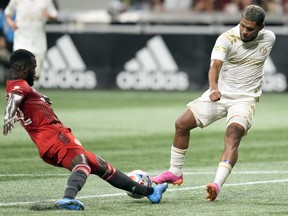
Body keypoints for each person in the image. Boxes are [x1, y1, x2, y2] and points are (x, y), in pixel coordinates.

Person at [3, 49, 168, 211]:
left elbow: (21, 94)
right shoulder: (20, 86)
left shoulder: (14, 84)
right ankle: (68, 199)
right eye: (33, 68)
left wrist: (39, 96)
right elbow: (16, 97)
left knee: (101, 166)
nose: (35, 72)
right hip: (55, 136)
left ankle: (151, 192)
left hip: (46, 143)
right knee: (82, 164)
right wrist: (8, 116)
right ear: (24, 69)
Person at [151, 4, 275, 202]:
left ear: (261, 27)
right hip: (220, 94)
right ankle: (175, 172)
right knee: (181, 124)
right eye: (242, 25)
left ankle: (216, 185)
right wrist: (214, 88)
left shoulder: (269, 38)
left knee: (233, 134)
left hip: (244, 99)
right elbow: (215, 66)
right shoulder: (226, 38)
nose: (244, 31)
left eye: (250, 28)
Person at [4, 0, 58, 85]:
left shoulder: (46, 1)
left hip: (38, 39)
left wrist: (49, 16)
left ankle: (32, 95)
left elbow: (55, 17)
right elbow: (8, 13)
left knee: (36, 74)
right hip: (21, 38)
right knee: (21, 69)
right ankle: (21, 94)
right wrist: (11, 24)